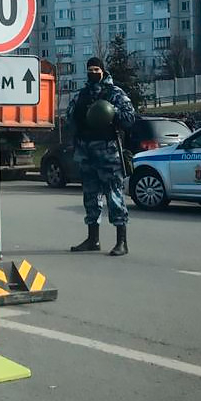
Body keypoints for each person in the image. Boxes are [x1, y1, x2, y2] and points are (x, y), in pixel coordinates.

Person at [67, 56, 137, 257]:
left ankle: (121, 241)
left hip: (108, 153)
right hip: (85, 152)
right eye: (90, 69)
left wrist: (111, 112)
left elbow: (129, 118)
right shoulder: (81, 95)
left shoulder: (114, 93)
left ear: (103, 71)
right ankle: (92, 239)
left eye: (96, 69)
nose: (93, 73)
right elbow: (70, 118)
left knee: (114, 196)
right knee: (90, 197)